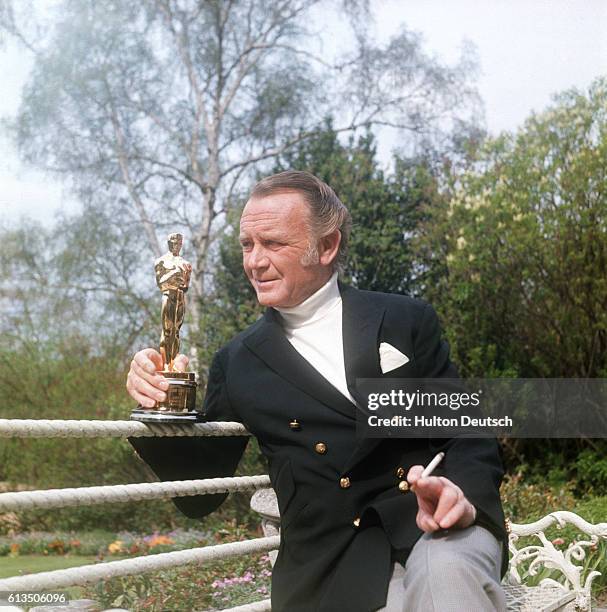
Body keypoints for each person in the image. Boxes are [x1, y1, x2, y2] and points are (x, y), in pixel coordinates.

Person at [126, 171, 508, 612]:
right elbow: (202, 495)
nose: (254, 262)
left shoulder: (405, 319)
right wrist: (158, 404)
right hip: (332, 564)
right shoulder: (238, 362)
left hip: (437, 531)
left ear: (327, 246)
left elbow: (466, 435)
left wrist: (458, 496)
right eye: (247, 245)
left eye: (273, 243)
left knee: (446, 578)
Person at [154, 233, 192, 371]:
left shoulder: (185, 263)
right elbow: (160, 283)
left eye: (179, 243)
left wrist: (185, 280)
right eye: (174, 243)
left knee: (176, 331)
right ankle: (165, 364)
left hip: (180, 297)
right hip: (167, 295)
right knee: (167, 331)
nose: (176, 246)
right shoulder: (161, 262)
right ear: (169, 243)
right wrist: (174, 273)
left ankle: (173, 363)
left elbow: (186, 286)